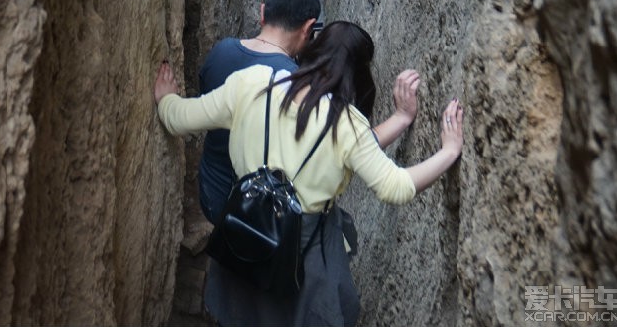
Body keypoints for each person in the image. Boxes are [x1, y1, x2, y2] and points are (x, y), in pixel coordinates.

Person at [155, 21, 463, 327]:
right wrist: (448, 151)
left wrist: (167, 100)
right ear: (358, 74)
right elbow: (395, 186)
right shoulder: (347, 124)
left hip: (246, 230)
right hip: (304, 251)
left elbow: (179, 119)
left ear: (311, 50)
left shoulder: (252, 82)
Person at [197, 0, 320, 225]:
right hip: (259, 212)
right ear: (309, 28)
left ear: (262, 12)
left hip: (212, 193)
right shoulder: (295, 83)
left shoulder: (221, 51)